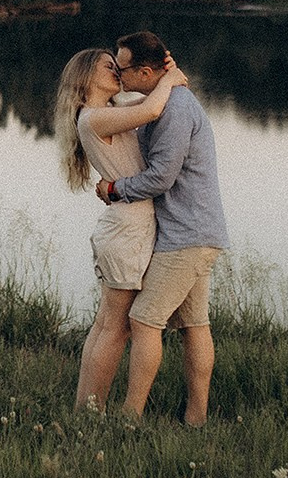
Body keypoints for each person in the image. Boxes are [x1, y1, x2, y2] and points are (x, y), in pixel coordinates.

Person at [96, 30, 229, 425]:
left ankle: (130, 416)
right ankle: (196, 418)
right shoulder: (166, 98)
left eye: (122, 69)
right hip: (198, 232)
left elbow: (160, 178)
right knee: (194, 324)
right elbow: (126, 107)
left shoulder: (174, 110)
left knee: (143, 320)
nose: (118, 76)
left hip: (185, 237)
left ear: (146, 70)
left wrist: (114, 189)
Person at [53, 46, 188, 411]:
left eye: (117, 66)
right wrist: (173, 78)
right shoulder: (93, 118)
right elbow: (152, 109)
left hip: (126, 228)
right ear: (86, 76)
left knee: (106, 324)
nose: (116, 70)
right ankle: (90, 410)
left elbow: (151, 104)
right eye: (107, 66)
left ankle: (85, 408)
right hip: (127, 231)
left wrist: (164, 72)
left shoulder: (107, 113)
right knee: (116, 327)